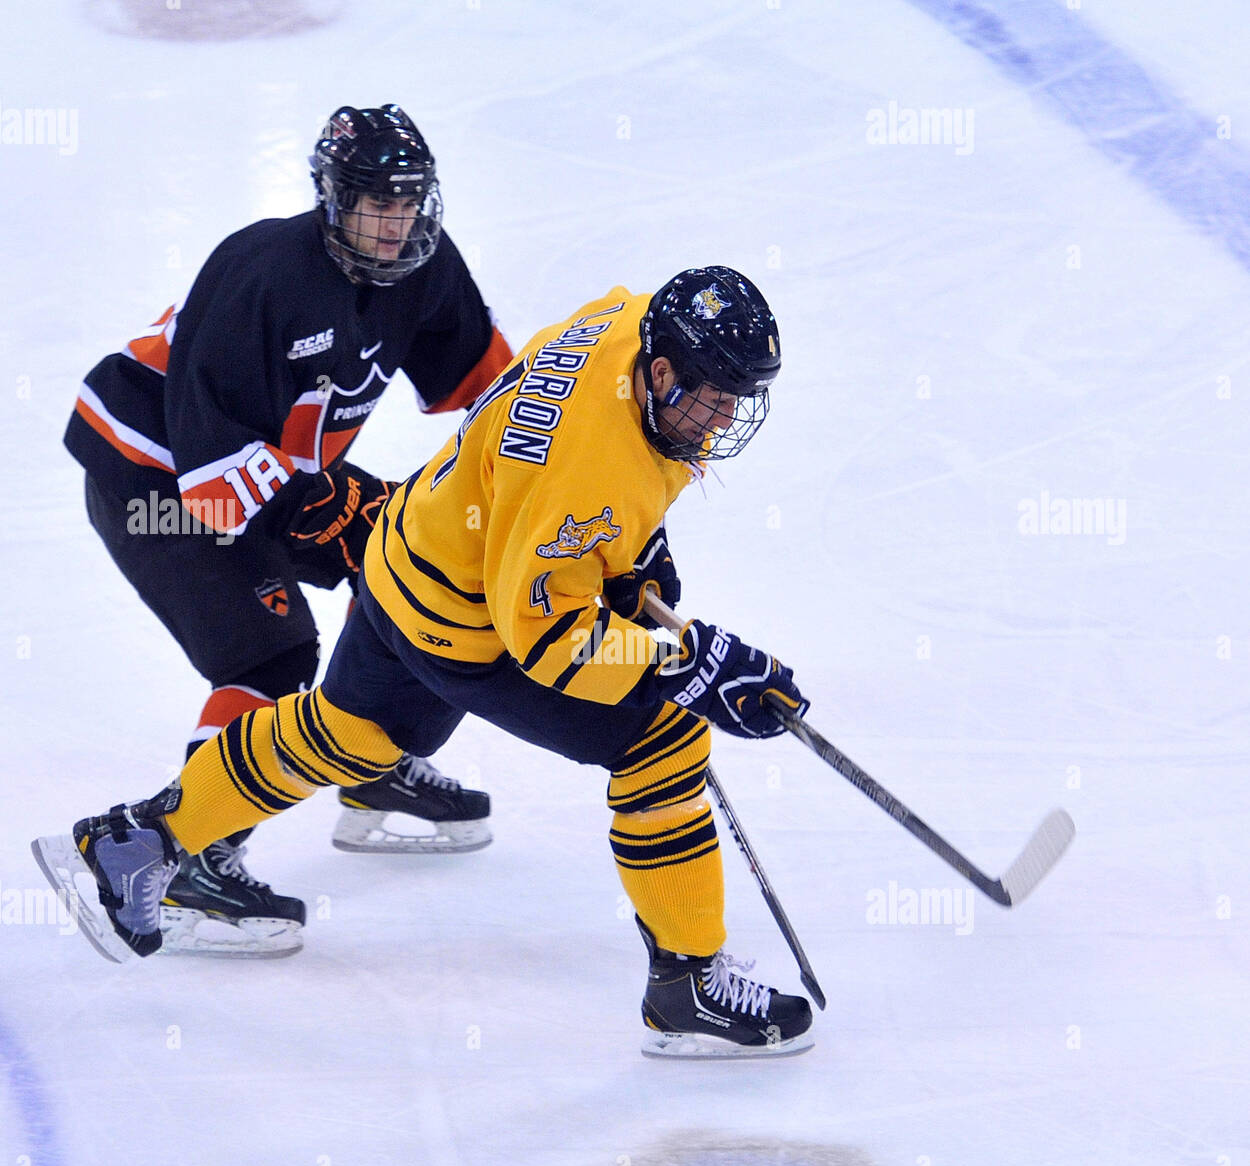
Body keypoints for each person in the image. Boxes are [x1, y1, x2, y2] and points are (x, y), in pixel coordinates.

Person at [35, 266, 815, 1058]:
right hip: (467, 616)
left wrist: (629, 562)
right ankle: (689, 987)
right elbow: (550, 644)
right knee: (663, 741)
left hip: (408, 548)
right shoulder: (589, 467)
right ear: (660, 371)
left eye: (738, 398)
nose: (722, 419)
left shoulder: (630, 317)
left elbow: (546, 467)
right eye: (713, 393)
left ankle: (139, 841)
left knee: (347, 736)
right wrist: (686, 666)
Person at [62, 105, 512, 957]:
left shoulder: (424, 265)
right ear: (331, 199)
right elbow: (211, 480)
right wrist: (326, 511)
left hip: (264, 469)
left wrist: (554, 487)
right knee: (268, 656)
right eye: (374, 200)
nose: (395, 221)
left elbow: (498, 396)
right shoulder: (264, 273)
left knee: (415, 560)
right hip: (155, 473)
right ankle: (190, 857)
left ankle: (369, 765)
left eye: (410, 200)